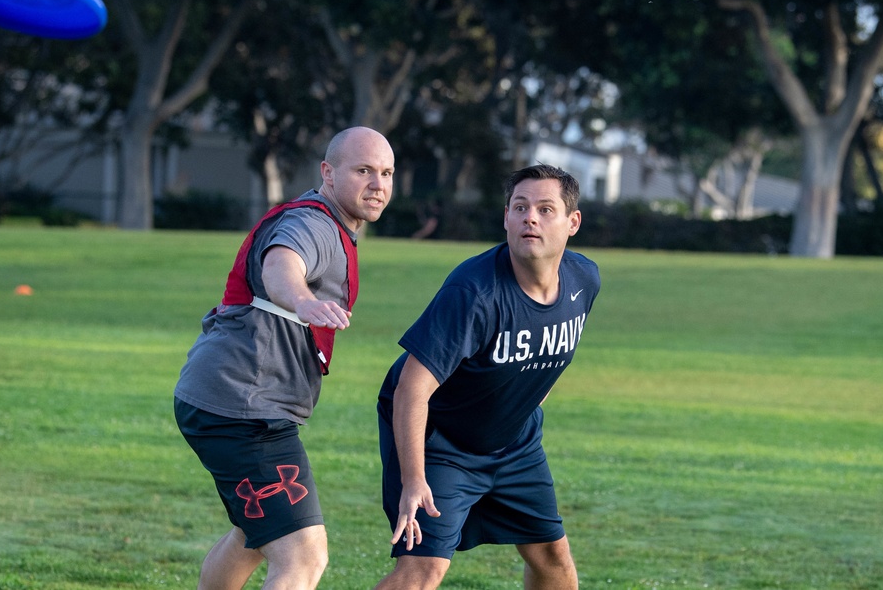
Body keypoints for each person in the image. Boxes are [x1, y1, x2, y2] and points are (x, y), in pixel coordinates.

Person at [174, 126, 395, 590]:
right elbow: (282, 262)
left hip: (224, 398)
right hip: (243, 408)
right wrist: (302, 300)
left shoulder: (332, 224)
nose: (378, 184)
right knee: (303, 557)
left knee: (256, 533)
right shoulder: (313, 223)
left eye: (386, 173)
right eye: (364, 171)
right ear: (328, 173)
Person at [375, 164, 600, 590]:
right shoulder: (474, 292)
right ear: (506, 218)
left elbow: (549, 358)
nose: (530, 217)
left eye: (545, 209)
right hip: (443, 443)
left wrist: (515, 412)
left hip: (514, 444)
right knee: (422, 571)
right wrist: (414, 479)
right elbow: (410, 388)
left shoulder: (584, 279)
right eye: (520, 207)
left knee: (553, 557)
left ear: (573, 223)